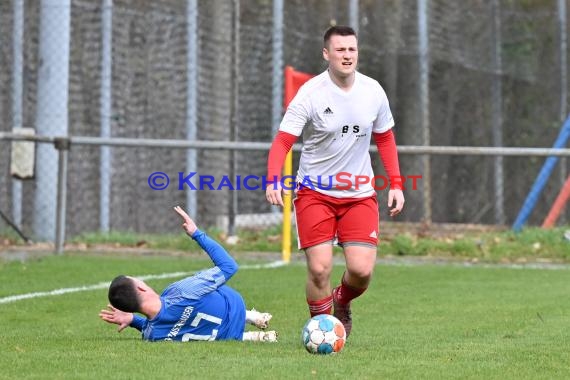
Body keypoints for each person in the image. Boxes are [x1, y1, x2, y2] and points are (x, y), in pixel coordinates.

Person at [265, 25, 405, 338]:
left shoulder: (373, 91)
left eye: (351, 49)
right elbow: (283, 141)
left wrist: (396, 183)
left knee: (361, 271)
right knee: (319, 268)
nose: (346, 55)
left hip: (359, 195)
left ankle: (341, 301)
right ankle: (323, 329)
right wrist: (273, 179)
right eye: (340, 50)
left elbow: (385, 138)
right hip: (315, 192)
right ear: (326, 54)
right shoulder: (311, 94)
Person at [99, 206, 277, 342]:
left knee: (192, 315)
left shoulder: (153, 336)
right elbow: (229, 266)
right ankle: (249, 316)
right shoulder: (179, 292)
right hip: (234, 306)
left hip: (225, 336)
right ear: (141, 287)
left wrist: (132, 320)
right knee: (204, 283)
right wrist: (197, 234)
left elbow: (151, 325)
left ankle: (250, 336)